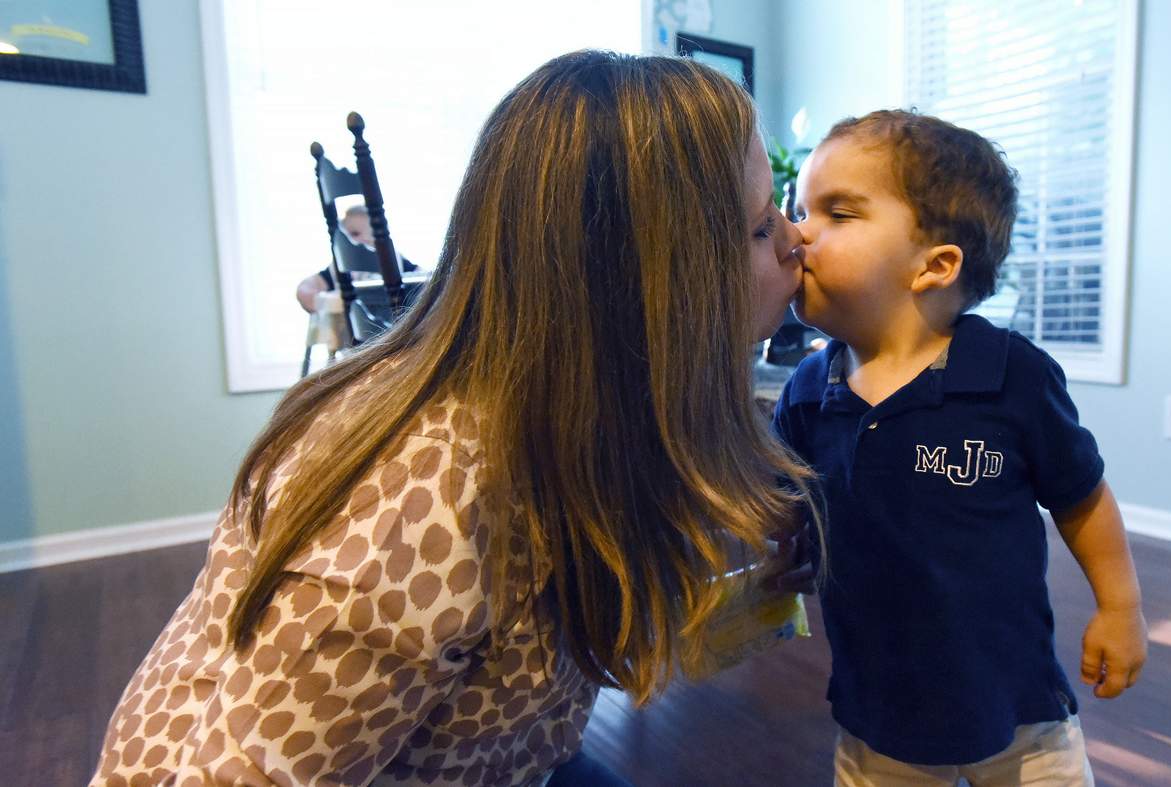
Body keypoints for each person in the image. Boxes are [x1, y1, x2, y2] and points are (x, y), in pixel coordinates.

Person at [91, 49, 816, 786]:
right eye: (761, 228)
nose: (799, 241)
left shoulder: (593, 411)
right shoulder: (418, 513)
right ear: (643, 287)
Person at [774, 109, 1148, 786]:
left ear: (935, 265)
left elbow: (1081, 495)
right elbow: (783, 501)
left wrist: (1120, 607)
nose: (798, 232)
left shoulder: (1011, 377)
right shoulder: (806, 390)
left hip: (1019, 707)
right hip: (880, 713)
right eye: (799, 208)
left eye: (837, 211)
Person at [296, 205, 422, 313]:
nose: (352, 243)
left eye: (355, 234)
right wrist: (323, 302)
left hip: (389, 323)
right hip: (352, 330)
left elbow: (422, 278)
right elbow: (306, 288)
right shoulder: (340, 268)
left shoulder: (393, 260)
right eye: (348, 237)